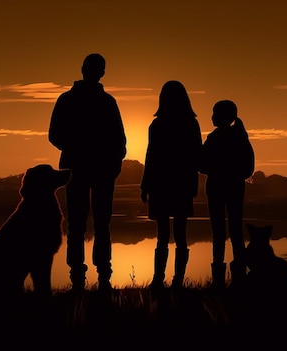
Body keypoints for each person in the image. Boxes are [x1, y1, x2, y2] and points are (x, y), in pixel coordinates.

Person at [48, 53, 127, 292]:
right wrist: (110, 158)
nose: (93, 72)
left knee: (88, 225)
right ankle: (90, 277)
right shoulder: (101, 102)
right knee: (90, 224)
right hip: (83, 169)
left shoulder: (75, 100)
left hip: (88, 168)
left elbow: (120, 141)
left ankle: (92, 276)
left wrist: (113, 160)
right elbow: (120, 141)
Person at [140, 80, 202, 290]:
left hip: (162, 183)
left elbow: (151, 157)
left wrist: (145, 185)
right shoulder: (190, 124)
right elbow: (196, 156)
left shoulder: (157, 125)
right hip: (180, 183)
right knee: (180, 234)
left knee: (163, 235)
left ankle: (160, 279)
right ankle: (176, 280)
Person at [199, 100, 255, 289]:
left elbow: (201, 164)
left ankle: (218, 283)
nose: (212, 116)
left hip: (216, 187)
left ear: (221, 116)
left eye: (214, 113)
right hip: (234, 187)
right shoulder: (240, 137)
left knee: (219, 234)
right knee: (235, 232)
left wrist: (215, 169)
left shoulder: (214, 138)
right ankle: (239, 280)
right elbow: (248, 168)